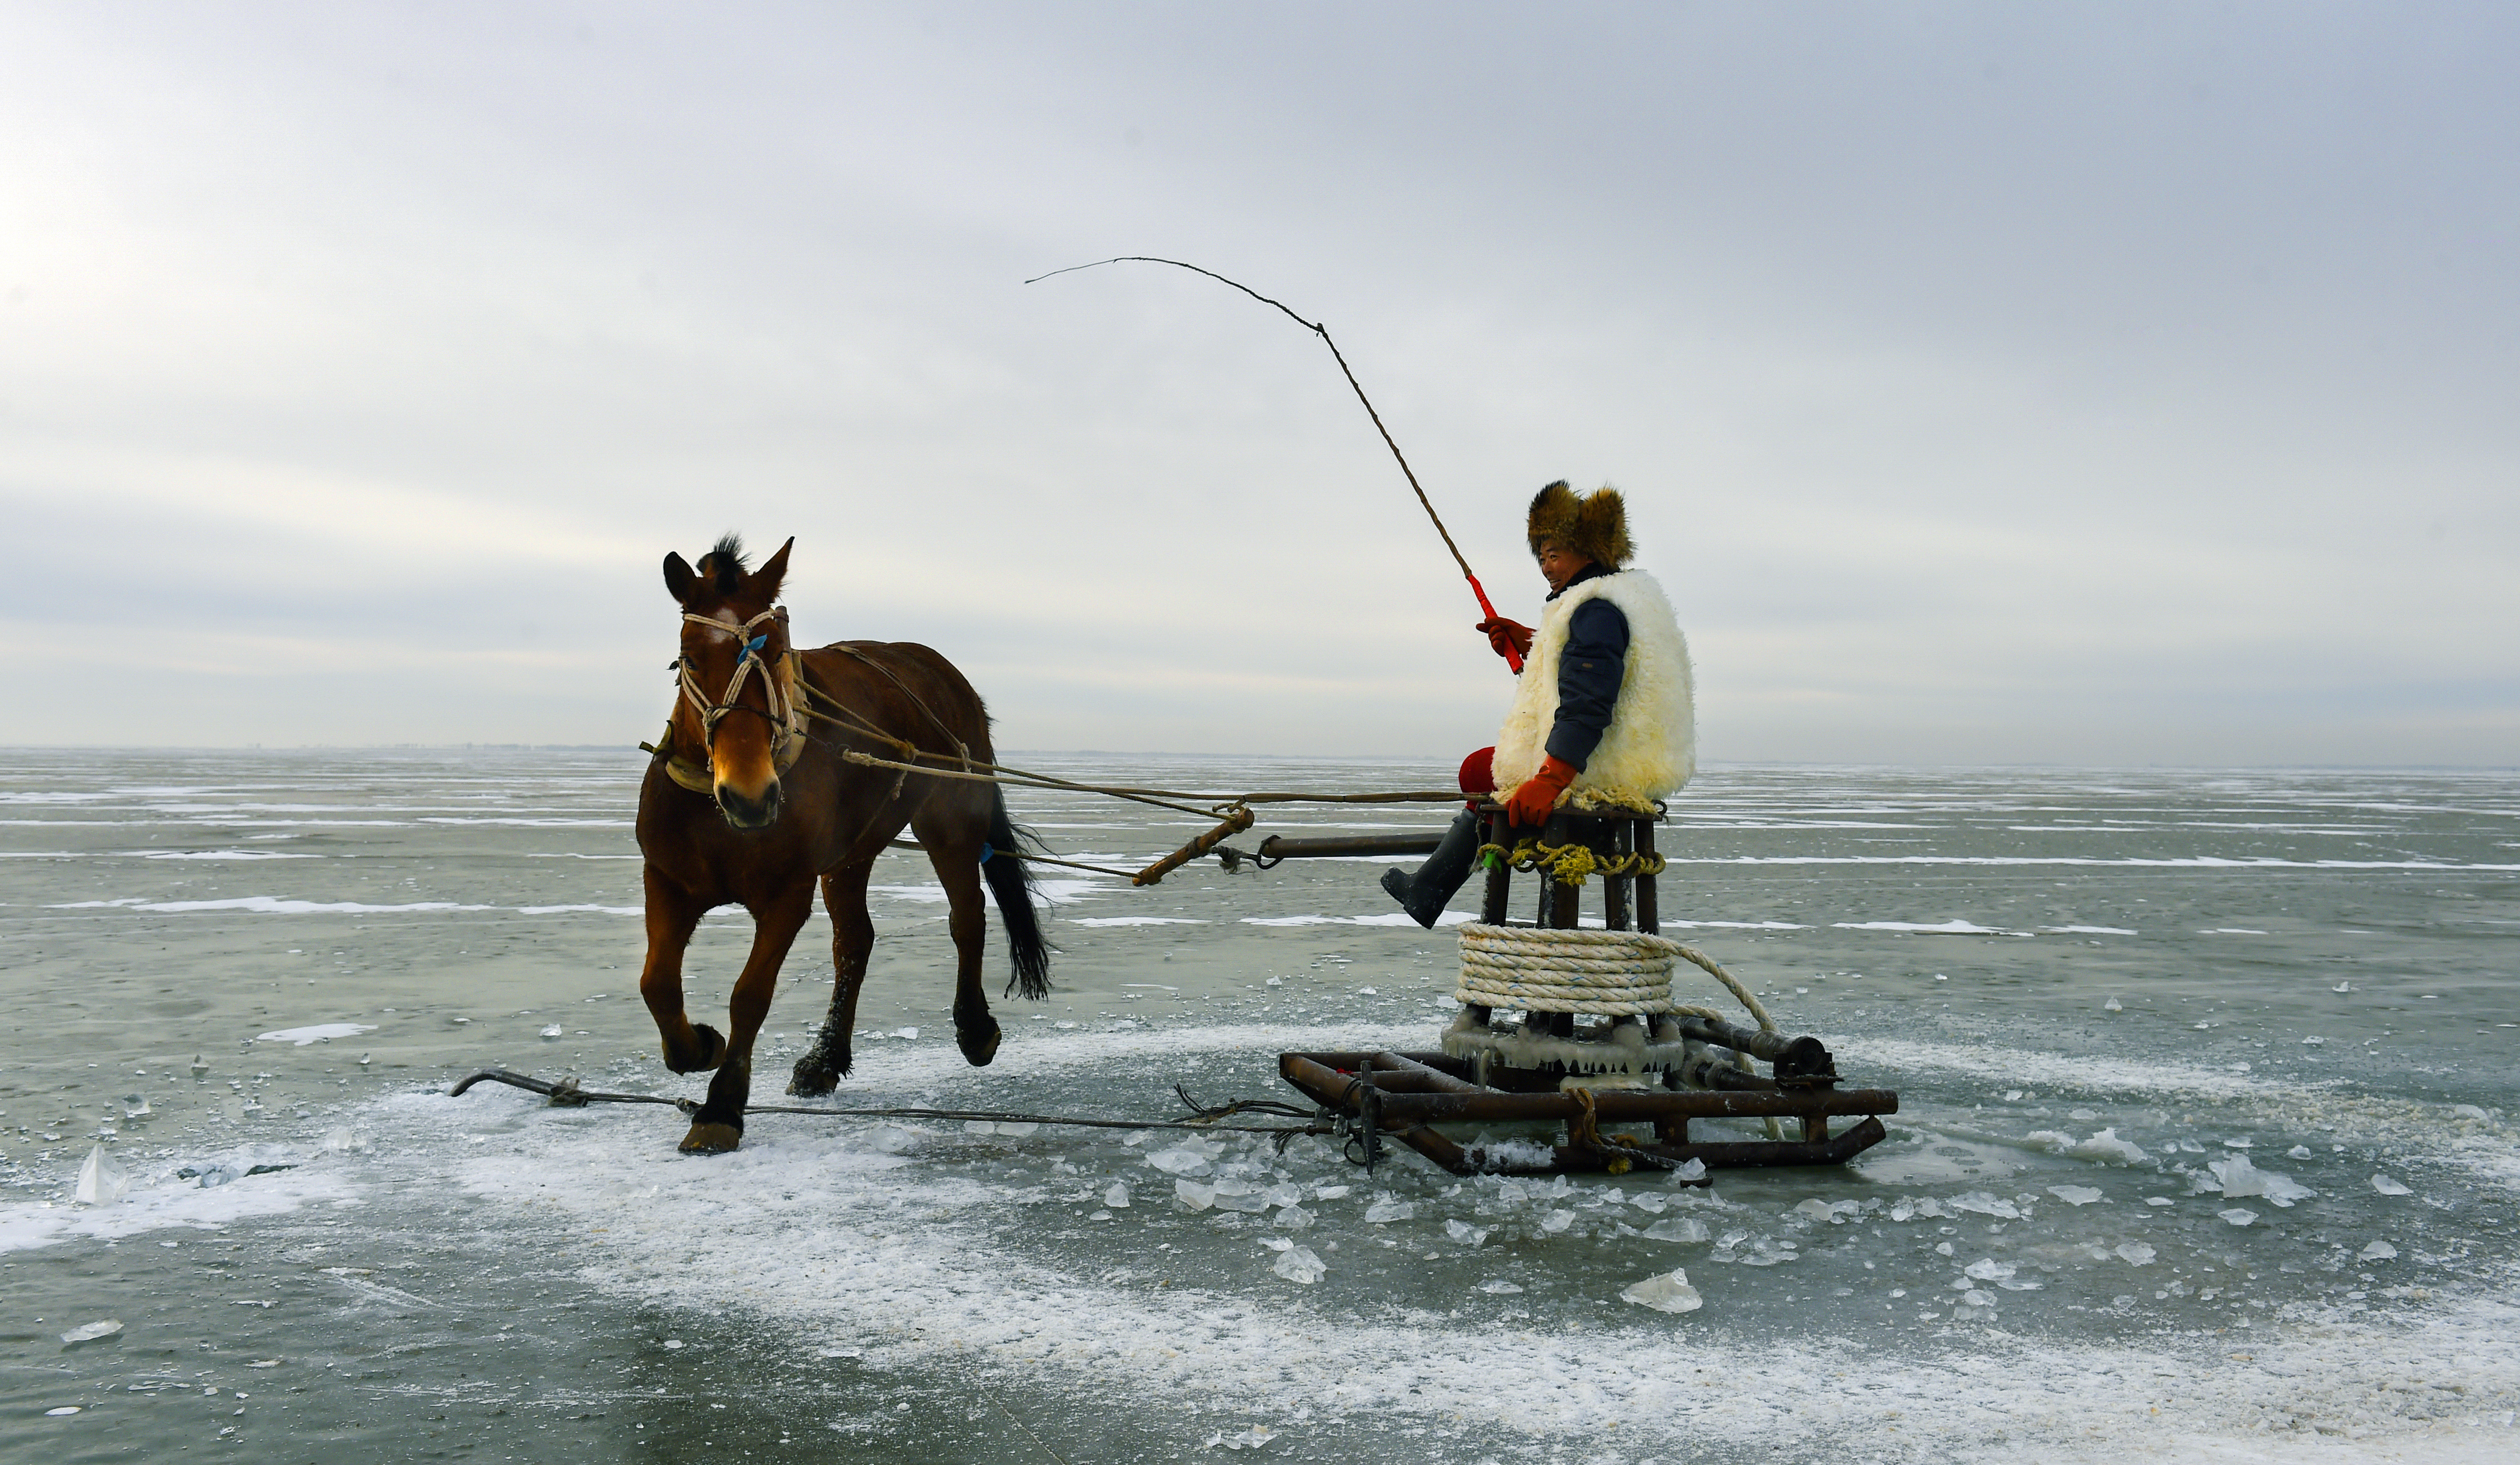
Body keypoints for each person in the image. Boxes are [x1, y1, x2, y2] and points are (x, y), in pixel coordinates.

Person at [1380, 481, 1696, 927]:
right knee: (1481, 772)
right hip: (1638, 763)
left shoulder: (1596, 611)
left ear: (1588, 551)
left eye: (1556, 554)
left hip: (1601, 771)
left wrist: (1551, 779)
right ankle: (1431, 888)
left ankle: (1433, 887)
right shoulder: (1628, 597)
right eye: (1542, 556)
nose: (1547, 567)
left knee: (1477, 771)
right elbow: (1601, 672)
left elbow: (1589, 701)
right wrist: (1530, 644)